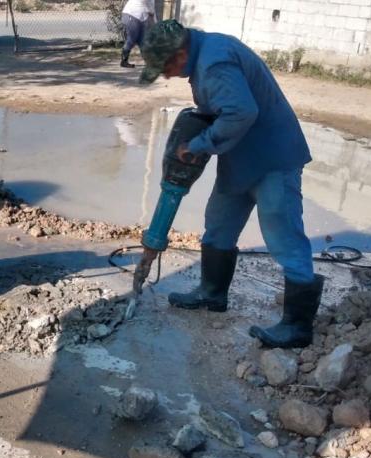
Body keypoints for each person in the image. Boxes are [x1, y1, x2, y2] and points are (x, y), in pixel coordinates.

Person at [137, 20, 323, 349]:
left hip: (271, 159)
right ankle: (212, 293)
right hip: (239, 159)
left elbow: (240, 113)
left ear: (181, 54)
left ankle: (297, 326)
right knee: (219, 225)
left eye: (165, 68)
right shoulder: (206, 54)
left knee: (283, 236)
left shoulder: (214, 62)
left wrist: (198, 145)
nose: (165, 76)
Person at [120, 0, 155, 68]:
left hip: (141, 18)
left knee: (143, 41)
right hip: (131, 14)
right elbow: (146, 3)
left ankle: (150, 63)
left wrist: (155, 23)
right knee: (132, 39)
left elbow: (152, 12)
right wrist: (151, 11)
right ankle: (124, 61)